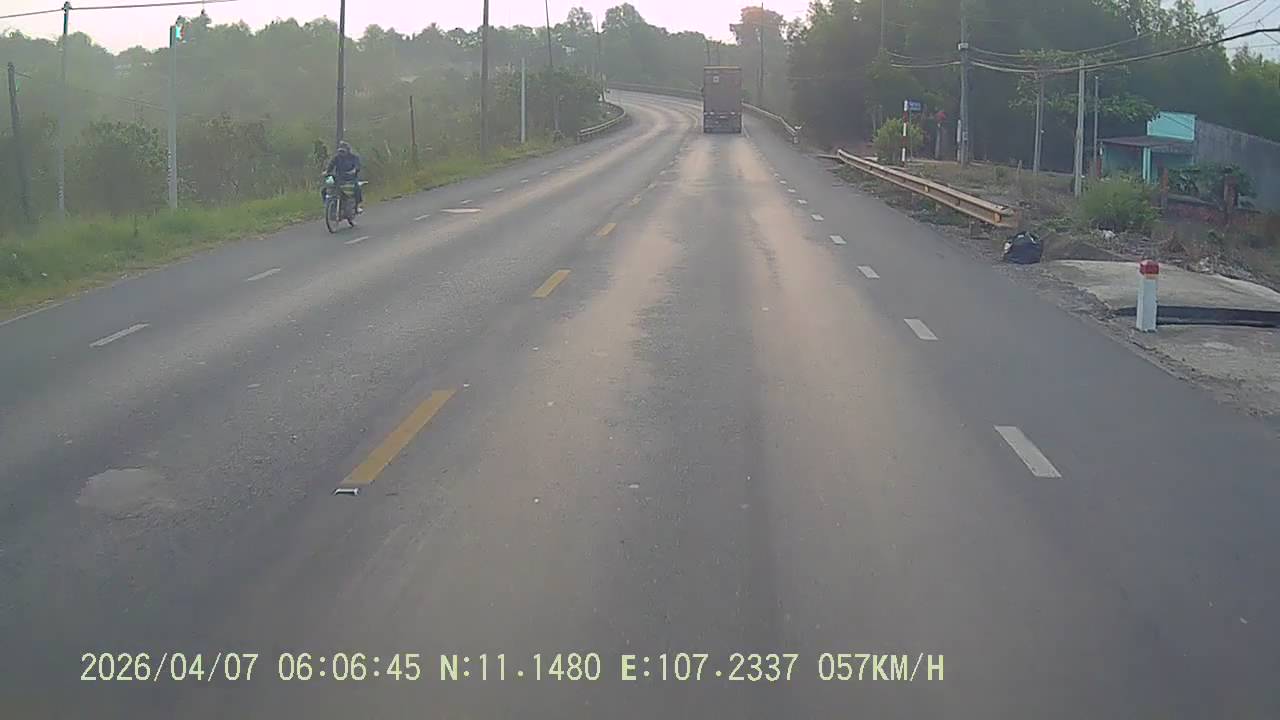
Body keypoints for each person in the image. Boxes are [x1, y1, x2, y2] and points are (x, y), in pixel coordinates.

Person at [325, 141, 363, 213]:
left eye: (343, 151)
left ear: (348, 150)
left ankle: (357, 206)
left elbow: (357, 166)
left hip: (351, 178)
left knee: (357, 188)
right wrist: (326, 172)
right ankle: (328, 205)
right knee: (324, 189)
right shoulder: (336, 158)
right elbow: (330, 166)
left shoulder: (354, 157)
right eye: (340, 151)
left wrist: (354, 170)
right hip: (339, 178)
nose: (341, 153)